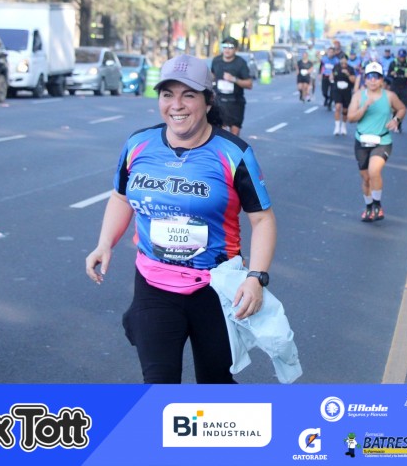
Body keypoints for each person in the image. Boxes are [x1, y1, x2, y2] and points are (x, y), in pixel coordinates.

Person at [85, 54, 277, 384]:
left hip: (216, 288)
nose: (177, 105)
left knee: (215, 386)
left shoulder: (233, 153)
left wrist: (256, 278)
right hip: (154, 285)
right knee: (158, 385)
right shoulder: (138, 144)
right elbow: (120, 197)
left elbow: (262, 220)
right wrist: (105, 244)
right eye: (167, 94)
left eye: (188, 95)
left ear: (208, 101)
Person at [346, 62, 406, 222]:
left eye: (376, 77)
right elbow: (350, 118)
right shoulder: (358, 96)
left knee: (374, 171)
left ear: (381, 80)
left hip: (382, 140)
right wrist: (364, 107)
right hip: (362, 141)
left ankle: (377, 205)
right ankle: (368, 207)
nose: (373, 80)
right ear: (365, 79)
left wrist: (396, 120)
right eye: (370, 77)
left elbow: (401, 108)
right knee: (366, 178)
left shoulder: (389, 96)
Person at [210, 36, 253, 136]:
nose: (227, 50)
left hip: (235, 102)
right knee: (220, 132)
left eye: (230, 47)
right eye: (225, 47)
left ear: (235, 49)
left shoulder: (240, 63)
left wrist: (234, 79)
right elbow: (212, 75)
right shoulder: (216, 61)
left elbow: (249, 84)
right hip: (219, 100)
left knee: (234, 133)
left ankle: (233, 145)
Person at [331, 53, 356, 136]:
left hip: (347, 90)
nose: (343, 61)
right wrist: (331, 78)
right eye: (341, 59)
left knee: (345, 110)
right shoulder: (336, 67)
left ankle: (343, 126)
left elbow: (353, 80)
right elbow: (332, 76)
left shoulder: (350, 68)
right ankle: (337, 127)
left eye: (345, 59)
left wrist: (347, 74)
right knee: (337, 107)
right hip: (337, 89)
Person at [387, 48, 407, 132]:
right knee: (394, 106)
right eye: (400, 57)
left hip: (404, 87)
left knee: (403, 107)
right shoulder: (393, 63)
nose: (402, 58)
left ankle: (398, 124)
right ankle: (394, 120)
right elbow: (388, 75)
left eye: (403, 57)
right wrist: (392, 74)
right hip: (395, 86)